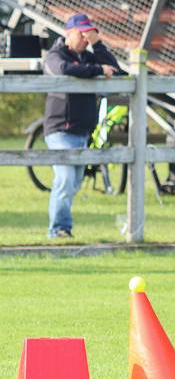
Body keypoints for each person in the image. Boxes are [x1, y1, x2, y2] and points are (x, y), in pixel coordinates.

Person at [42, 13, 124, 239]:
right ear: (69, 33)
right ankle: (59, 229)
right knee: (65, 179)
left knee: (74, 182)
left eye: (89, 34)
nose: (85, 38)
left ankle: (61, 227)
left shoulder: (89, 56)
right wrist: (97, 71)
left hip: (82, 131)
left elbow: (115, 70)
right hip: (60, 129)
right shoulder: (55, 55)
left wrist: (98, 44)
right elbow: (64, 69)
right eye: (82, 33)